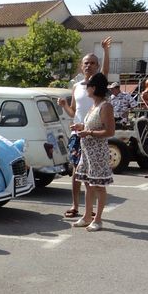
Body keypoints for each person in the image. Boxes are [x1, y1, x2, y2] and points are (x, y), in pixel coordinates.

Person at [57, 36, 111, 218]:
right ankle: (75, 206)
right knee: (76, 171)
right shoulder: (77, 87)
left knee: (91, 174)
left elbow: (106, 71)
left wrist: (106, 51)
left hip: (93, 133)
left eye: (93, 63)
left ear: (97, 66)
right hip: (77, 133)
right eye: (86, 63)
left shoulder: (99, 84)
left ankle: (90, 209)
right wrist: (64, 105)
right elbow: (73, 112)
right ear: (81, 66)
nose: (89, 66)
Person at [72, 72, 115, 231]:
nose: (86, 89)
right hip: (87, 152)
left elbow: (110, 131)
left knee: (98, 186)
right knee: (88, 184)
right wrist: (81, 127)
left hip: (97, 153)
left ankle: (98, 219)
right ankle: (87, 216)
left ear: (94, 88)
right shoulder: (94, 105)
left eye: (88, 86)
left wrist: (89, 132)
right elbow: (94, 125)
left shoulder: (105, 106)